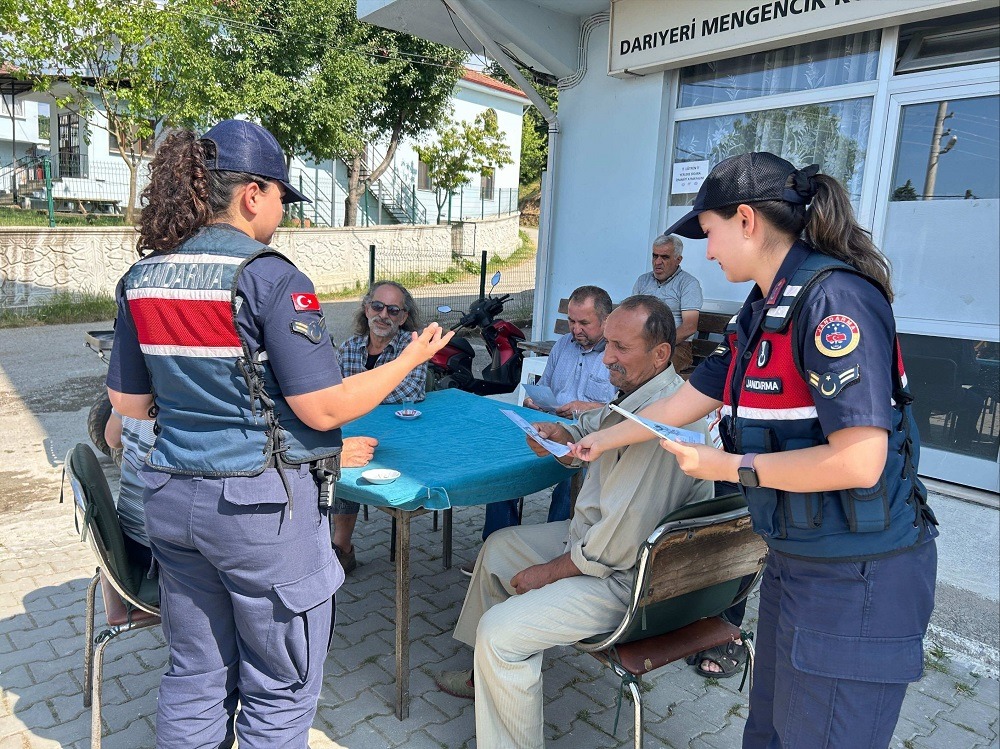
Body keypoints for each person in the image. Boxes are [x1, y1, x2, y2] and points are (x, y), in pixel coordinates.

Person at [572, 152, 938, 749]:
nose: (708, 252)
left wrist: (725, 466)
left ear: (746, 220)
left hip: (858, 576)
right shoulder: (766, 304)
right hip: (797, 561)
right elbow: (694, 395)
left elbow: (860, 459)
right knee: (769, 732)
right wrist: (601, 436)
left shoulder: (833, 302)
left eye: (710, 232)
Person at [105, 119, 452, 748]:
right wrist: (408, 359)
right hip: (259, 514)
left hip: (173, 505)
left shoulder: (143, 278)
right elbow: (323, 409)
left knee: (196, 676)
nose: (282, 215)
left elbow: (129, 402)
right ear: (250, 194)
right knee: (280, 690)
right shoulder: (271, 278)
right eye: (281, 198)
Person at [434, 296, 712, 748]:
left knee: (501, 633)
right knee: (499, 547)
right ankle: (481, 675)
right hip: (609, 547)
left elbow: (611, 549)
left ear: (661, 354)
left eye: (620, 348)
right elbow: (598, 428)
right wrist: (566, 435)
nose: (606, 358)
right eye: (609, 344)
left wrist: (542, 574)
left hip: (633, 580)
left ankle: (503, 690)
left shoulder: (663, 426)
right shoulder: (647, 395)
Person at [469, 285, 617, 564]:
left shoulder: (616, 353)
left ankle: (554, 555)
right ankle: (495, 548)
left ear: (606, 321)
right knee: (506, 465)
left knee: (573, 480)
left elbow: (621, 409)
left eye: (584, 323)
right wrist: (535, 401)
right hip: (549, 427)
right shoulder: (564, 345)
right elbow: (545, 386)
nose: (575, 330)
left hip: (588, 437)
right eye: (572, 321)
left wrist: (585, 407)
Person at [331, 279, 426, 573]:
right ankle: (341, 546)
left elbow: (411, 390)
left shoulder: (412, 351)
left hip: (399, 438)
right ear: (366, 308)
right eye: (378, 306)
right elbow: (333, 392)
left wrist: (353, 396)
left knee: (351, 458)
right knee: (341, 460)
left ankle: (340, 546)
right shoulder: (349, 347)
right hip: (353, 432)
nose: (384, 315)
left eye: (393, 310)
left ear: (403, 317)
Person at [632, 233, 703, 372]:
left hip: (677, 347)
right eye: (655, 256)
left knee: (652, 369)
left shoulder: (689, 284)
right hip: (643, 344)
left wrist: (660, 345)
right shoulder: (643, 281)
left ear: (678, 259)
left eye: (664, 257)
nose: (657, 262)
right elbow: (632, 316)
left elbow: (690, 326)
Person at [104, 413, 155, 570]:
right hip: (163, 549)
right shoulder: (189, 406)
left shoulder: (129, 393)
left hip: (132, 535)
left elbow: (111, 438)